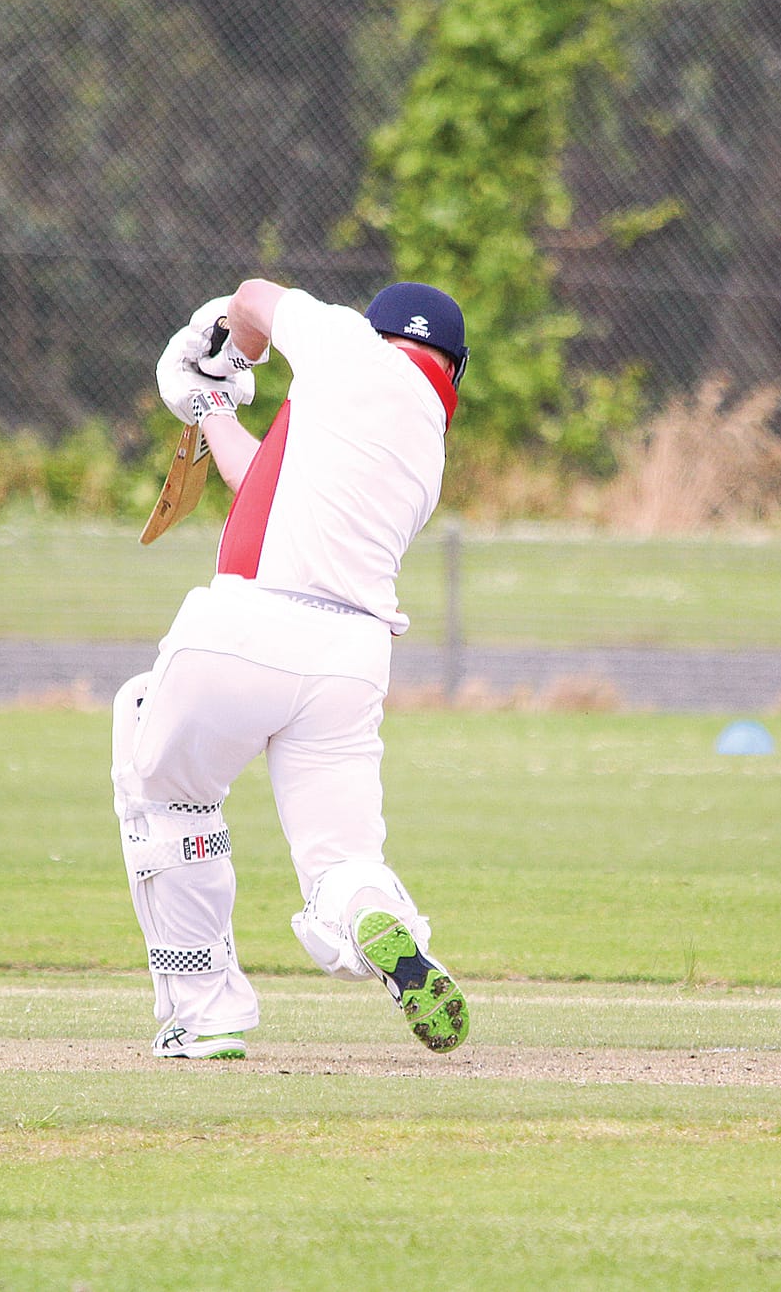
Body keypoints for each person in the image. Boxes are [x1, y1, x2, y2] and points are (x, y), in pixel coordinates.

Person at [109, 277, 471, 1061]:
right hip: (348, 660)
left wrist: (228, 352)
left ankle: (203, 1015)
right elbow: (263, 485)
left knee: (156, 765)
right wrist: (210, 411)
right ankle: (385, 925)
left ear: (378, 332)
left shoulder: (346, 345)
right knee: (342, 860)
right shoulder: (425, 450)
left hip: (246, 624)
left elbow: (250, 295)